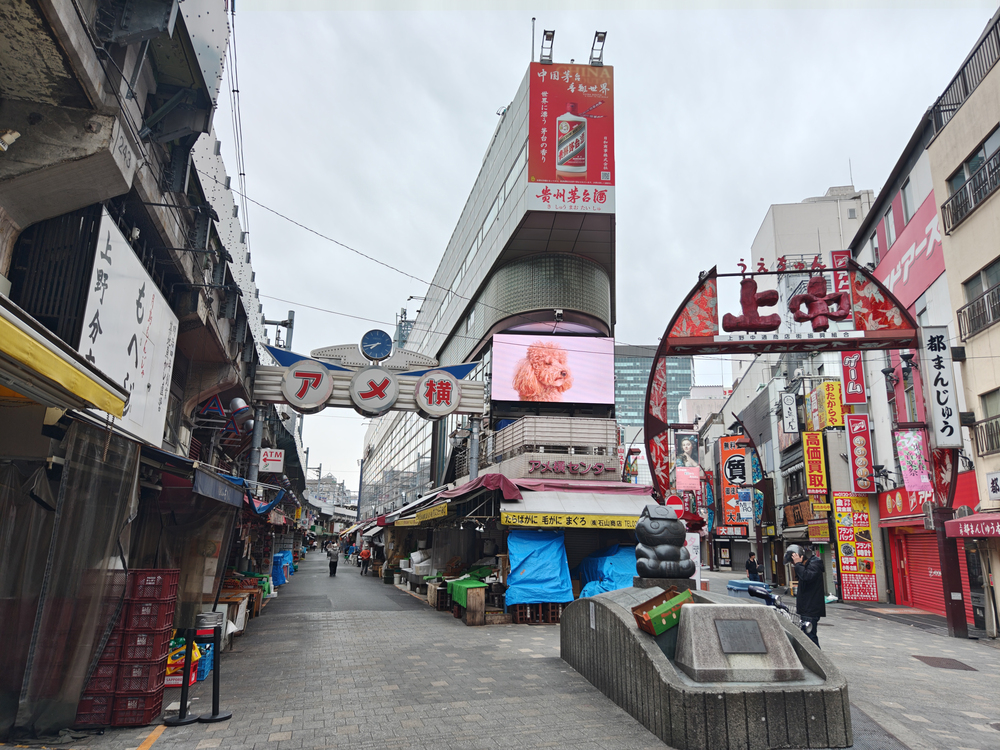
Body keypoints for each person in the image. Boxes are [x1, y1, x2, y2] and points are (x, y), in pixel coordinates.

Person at [786, 544, 826, 647]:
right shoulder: (807, 566)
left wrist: (798, 564)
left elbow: (806, 577)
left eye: (793, 562)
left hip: (811, 609)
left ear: (801, 557)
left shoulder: (814, 565)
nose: (793, 564)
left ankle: (817, 660)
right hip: (806, 608)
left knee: (810, 638)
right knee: (807, 637)